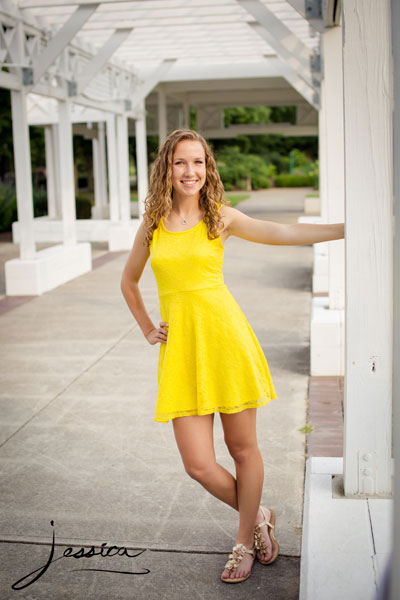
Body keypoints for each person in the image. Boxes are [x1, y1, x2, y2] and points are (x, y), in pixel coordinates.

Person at [120, 128, 345, 584]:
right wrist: (147, 327)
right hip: (182, 352)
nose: (191, 172)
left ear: (208, 168)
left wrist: (346, 230)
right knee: (199, 464)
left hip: (227, 342)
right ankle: (259, 513)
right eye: (181, 162)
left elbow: (282, 232)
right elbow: (128, 281)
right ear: (167, 167)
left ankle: (244, 540)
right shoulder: (153, 224)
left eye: (199, 162)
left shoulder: (219, 217)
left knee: (243, 450)